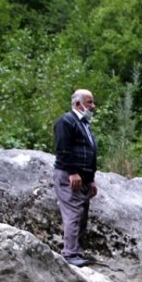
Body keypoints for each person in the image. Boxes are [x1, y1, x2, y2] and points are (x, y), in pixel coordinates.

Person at [53, 89, 99, 267]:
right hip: (69, 176)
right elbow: (63, 149)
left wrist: (91, 178)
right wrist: (72, 172)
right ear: (78, 104)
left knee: (81, 215)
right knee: (73, 214)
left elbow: (90, 152)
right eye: (89, 102)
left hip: (84, 178)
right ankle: (70, 254)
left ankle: (77, 251)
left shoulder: (84, 124)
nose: (92, 106)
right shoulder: (66, 121)